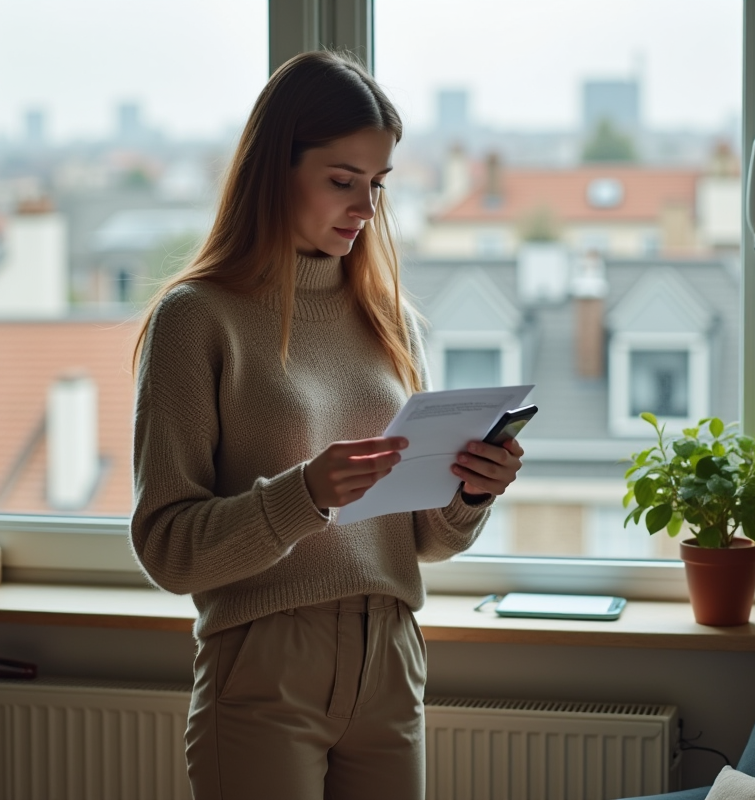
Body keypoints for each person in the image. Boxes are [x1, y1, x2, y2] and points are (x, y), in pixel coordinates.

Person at [130, 50, 524, 800]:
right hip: (264, 665)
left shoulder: (393, 325)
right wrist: (303, 494)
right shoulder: (198, 320)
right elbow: (167, 550)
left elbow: (426, 540)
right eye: (343, 181)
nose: (366, 208)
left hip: (392, 657)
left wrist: (472, 492)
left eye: (377, 185)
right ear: (273, 171)